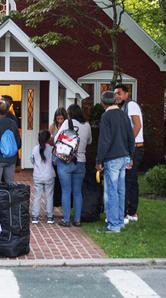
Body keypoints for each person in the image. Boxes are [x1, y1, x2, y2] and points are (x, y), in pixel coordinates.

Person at [96, 91, 135, 233]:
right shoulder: (124, 115)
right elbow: (131, 137)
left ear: (103, 103)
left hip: (112, 158)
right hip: (124, 157)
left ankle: (113, 225)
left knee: (112, 192)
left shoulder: (106, 116)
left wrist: (99, 160)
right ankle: (119, 221)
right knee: (120, 191)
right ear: (115, 101)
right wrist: (131, 156)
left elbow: (104, 140)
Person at [54, 104, 92, 227]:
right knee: (77, 192)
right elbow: (90, 141)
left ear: (70, 113)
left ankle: (66, 219)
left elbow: (56, 139)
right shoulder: (87, 125)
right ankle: (77, 219)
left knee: (66, 191)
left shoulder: (66, 123)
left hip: (66, 160)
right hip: (81, 161)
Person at [115, 84, 144, 223]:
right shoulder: (123, 107)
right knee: (132, 181)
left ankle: (126, 213)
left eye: (119, 93)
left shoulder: (131, 105)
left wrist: (128, 144)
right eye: (115, 93)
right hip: (133, 148)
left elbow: (137, 125)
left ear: (127, 94)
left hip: (134, 148)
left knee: (127, 180)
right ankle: (132, 212)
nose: (117, 96)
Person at [30, 130, 55, 224]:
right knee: (49, 196)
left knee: (37, 196)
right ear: (48, 139)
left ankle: (35, 216)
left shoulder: (35, 149)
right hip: (49, 175)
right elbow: (55, 161)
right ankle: (50, 217)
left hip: (37, 175)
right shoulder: (52, 149)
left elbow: (32, 160)